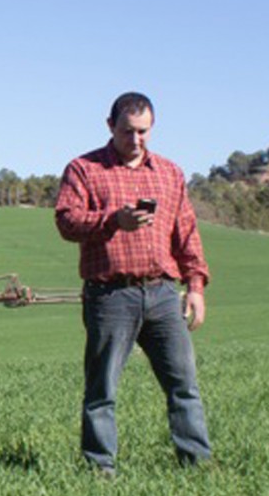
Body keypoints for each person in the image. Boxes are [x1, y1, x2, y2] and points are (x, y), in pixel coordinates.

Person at [55, 92, 212, 476]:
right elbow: (66, 221)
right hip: (110, 295)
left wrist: (195, 285)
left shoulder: (170, 173)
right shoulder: (84, 169)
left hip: (161, 293)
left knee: (183, 386)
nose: (136, 139)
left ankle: (197, 465)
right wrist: (113, 221)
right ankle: (100, 469)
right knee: (101, 391)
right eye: (128, 131)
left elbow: (186, 232)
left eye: (143, 131)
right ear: (111, 126)